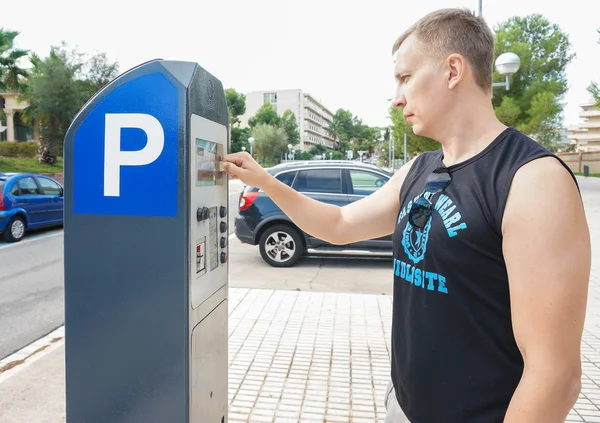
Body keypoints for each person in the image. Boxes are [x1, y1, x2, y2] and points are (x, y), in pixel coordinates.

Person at [223, 8, 591, 422]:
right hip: (404, 407)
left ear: (453, 70)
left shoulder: (531, 180)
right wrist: (267, 181)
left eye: (405, 78)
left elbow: (555, 376)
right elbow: (340, 226)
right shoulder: (420, 170)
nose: (397, 98)